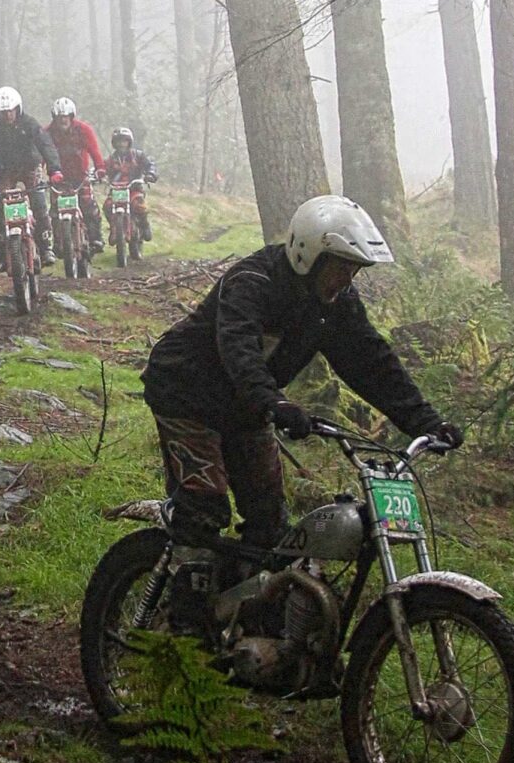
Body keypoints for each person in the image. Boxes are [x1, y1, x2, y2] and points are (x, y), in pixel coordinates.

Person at [140, 194, 460, 557]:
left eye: (354, 270)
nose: (346, 280)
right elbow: (239, 351)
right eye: (340, 267)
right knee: (203, 510)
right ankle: (181, 586)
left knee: (270, 520)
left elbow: (373, 364)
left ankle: (247, 591)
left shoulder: (337, 304)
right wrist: (275, 402)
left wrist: (426, 422)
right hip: (186, 394)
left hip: (247, 406)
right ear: (309, 256)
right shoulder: (252, 282)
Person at [0, 85, 59, 265]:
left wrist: (54, 170)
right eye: (3, 112)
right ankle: (3, 253)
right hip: (5, 170)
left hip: (30, 168)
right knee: (2, 208)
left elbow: (46, 144)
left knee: (39, 204)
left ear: (18, 108)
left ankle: (46, 247)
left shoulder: (29, 124)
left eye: (11, 111)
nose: (8, 115)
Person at [47, 97, 105, 254]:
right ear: (54, 117)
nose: (63, 120)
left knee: (89, 206)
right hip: (57, 179)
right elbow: (41, 153)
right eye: (60, 117)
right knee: (55, 211)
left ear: (72, 116)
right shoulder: (47, 132)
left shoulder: (84, 130)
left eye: (66, 116)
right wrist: (40, 172)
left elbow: (94, 151)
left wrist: (100, 168)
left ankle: (95, 238)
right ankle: (58, 243)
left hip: (81, 177)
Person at [106, 125, 157, 240]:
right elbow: (101, 169)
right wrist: (96, 175)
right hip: (116, 191)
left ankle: (144, 225)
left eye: (124, 141)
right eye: (118, 141)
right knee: (107, 206)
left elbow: (150, 165)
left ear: (129, 142)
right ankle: (114, 228)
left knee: (139, 206)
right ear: (114, 143)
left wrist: (151, 174)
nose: (121, 144)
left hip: (134, 189)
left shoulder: (138, 155)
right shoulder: (111, 159)